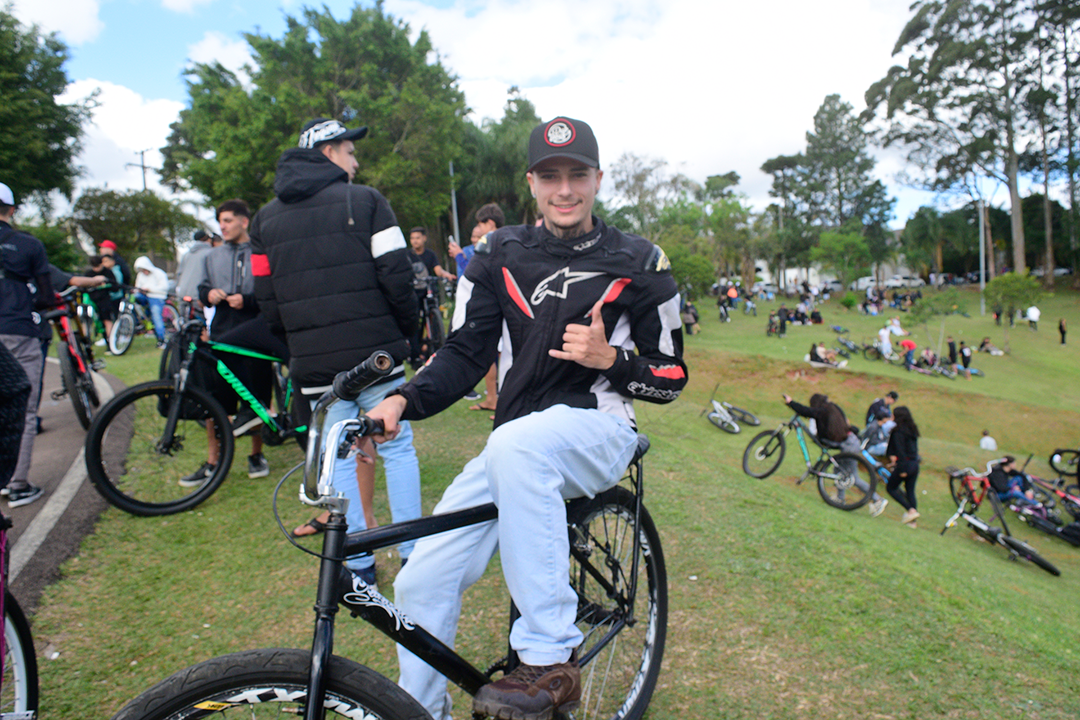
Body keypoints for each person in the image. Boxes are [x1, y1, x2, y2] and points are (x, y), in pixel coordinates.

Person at [362, 116, 688, 720]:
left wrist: (612, 360)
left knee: (517, 445)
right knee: (419, 581)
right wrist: (403, 400)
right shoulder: (496, 255)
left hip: (599, 429)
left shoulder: (641, 261)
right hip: (515, 443)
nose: (564, 190)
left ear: (597, 179)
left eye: (577, 175)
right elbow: (465, 352)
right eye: (550, 176)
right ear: (531, 183)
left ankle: (549, 655)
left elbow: (670, 377)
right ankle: (421, 711)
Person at [249, 117, 421, 583]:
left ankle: (360, 565)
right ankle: (413, 557)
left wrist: (296, 345)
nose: (355, 160)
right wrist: (406, 335)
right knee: (397, 448)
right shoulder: (367, 200)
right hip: (376, 358)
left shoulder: (263, 220)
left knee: (338, 459)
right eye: (349, 150)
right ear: (328, 152)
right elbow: (398, 276)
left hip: (314, 364)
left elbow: (265, 297)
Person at [195, 199, 271, 480]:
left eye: (227, 220)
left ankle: (256, 455)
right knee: (216, 401)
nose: (222, 227)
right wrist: (209, 294)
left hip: (254, 333)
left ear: (244, 221)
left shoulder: (260, 251)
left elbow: (270, 292)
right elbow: (201, 289)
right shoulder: (211, 256)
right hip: (221, 332)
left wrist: (248, 300)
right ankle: (213, 461)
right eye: (220, 221)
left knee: (255, 400)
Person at [0, 181, 53, 506]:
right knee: (24, 406)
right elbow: (46, 296)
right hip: (17, 329)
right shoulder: (28, 245)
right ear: (12, 209)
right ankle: (17, 483)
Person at [782, 392, 888, 517]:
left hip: (849, 445)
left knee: (853, 477)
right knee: (839, 472)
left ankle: (877, 499)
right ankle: (840, 498)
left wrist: (791, 402)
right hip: (850, 442)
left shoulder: (823, 411)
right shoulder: (833, 408)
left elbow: (806, 411)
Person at [884, 406, 921, 526]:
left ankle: (911, 510)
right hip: (914, 464)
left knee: (891, 488)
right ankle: (912, 521)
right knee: (910, 491)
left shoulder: (898, 432)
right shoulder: (912, 430)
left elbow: (900, 451)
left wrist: (902, 468)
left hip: (905, 464)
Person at [133, 256, 169, 347]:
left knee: (156, 316)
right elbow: (137, 287)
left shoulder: (159, 273)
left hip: (157, 297)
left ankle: (162, 339)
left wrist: (150, 289)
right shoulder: (140, 275)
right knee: (134, 297)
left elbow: (165, 287)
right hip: (145, 297)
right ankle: (138, 320)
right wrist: (140, 290)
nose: (144, 272)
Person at [175, 228, 215, 313]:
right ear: (207, 239)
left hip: (183, 293)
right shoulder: (210, 253)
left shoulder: (186, 254)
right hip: (198, 295)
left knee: (183, 317)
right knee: (201, 318)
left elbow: (179, 273)